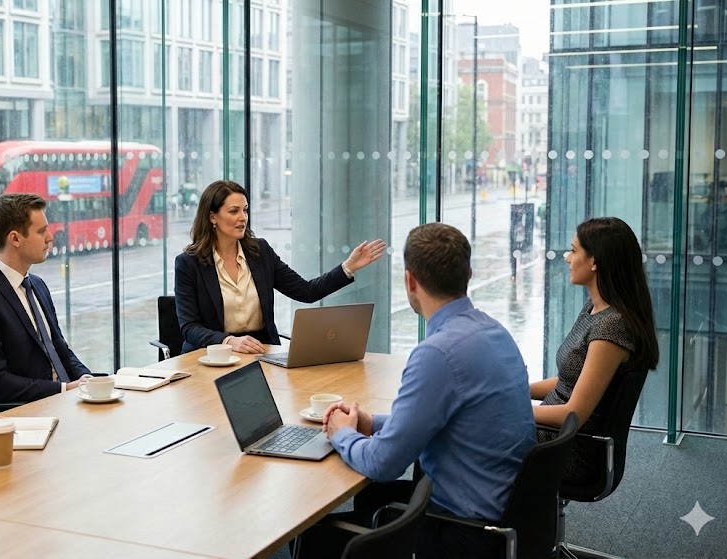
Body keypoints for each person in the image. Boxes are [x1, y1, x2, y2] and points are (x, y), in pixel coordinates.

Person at [302, 223, 536, 558]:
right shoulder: (493, 330)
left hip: (462, 530)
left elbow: (383, 464)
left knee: (317, 536)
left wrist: (341, 433)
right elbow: (445, 419)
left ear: (410, 281)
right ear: (468, 274)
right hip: (504, 508)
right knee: (374, 497)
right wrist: (370, 423)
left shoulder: (437, 353)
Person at [174, 180, 386, 354]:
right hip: (211, 355)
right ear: (212, 217)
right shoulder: (189, 263)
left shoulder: (260, 252)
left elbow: (306, 291)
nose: (243, 218)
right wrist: (228, 341)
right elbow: (189, 328)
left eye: (245, 210)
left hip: (261, 350)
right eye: (233, 211)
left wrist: (348, 267)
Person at [530, 217, 659, 480]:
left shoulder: (611, 328)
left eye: (574, 250)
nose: (567, 258)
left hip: (569, 448)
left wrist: (509, 410)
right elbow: (573, 380)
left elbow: (573, 413)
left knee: (465, 433)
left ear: (594, 261)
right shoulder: (595, 308)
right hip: (553, 434)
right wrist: (517, 390)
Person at [0, 193, 91, 404]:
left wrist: (90, 381)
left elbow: (61, 350)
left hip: (66, 402)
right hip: (31, 415)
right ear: (15, 239)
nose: (50, 237)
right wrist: (63, 389)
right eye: (41, 231)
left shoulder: (37, 285)